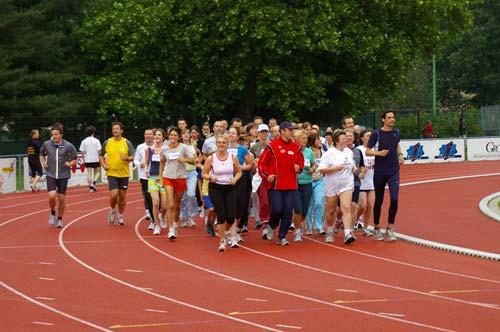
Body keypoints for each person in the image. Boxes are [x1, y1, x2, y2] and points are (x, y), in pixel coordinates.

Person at [258, 121, 304, 246]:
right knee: (277, 209)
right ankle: (272, 226)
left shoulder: (296, 147)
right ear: (282, 131)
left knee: (288, 211)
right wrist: (267, 176)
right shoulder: (272, 146)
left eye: (293, 130)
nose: (292, 132)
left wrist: (298, 167)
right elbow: (262, 164)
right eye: (290, 130)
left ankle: (282, 236)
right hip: (276, 185)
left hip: (291, 184)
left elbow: (301, 163)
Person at [366, 110, 405, 241]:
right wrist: (379, 154)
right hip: (380, 171)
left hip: (394, 170)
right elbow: (367, 151)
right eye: (389, 117)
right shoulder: (376, 133)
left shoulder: (396, 132)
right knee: (379, 201)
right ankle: (377, 228)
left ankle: (390, 228)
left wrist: (400, 155)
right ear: (383, 120)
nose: (392, 119)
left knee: (394, 199)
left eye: (393, 117)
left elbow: (397, 145)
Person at [202, 134, 242, 251]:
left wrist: (235, 179)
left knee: (230, 217)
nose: (221, 144)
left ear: (227, 144)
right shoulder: (211, 158)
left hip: (230, 188)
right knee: (221, 215)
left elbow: (239, 172)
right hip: (215, 188)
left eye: (223, 143)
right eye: (219, 142)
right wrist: (210, 177)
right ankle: (222, 241)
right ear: (216, 144)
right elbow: (204, 173)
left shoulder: (233, 157)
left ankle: (226, 232)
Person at [318, 130, 357, 244]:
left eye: (346, 137)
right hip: (332, 184)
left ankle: (348, 234)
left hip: (347, 184)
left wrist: (356, 170)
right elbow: (321, 169)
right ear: (336, 140)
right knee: (331, 211)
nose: (346, 139)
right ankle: (329, 231)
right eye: (343, 138)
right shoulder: (329, 153)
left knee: (346, 207)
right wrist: (335, 168)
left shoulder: (349, 152)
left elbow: (352, 166)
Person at [160, 127, 195, 239]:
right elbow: (162, 162)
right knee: (170, 204)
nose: (173, 137)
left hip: (180, 177)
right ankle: (170, 230)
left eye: (175, 135)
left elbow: (193, 160)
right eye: (171, 135)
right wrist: (161, 177)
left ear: (179, 137)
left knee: (177, 204)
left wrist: (184, 160)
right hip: (168, 177)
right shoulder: (164, 149)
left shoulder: (183, 148)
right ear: (168, 136)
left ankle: (175, 223)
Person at [40, 125, 77, 228]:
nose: (54, 137)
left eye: (56, 134)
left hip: (63, 175)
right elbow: (41, 154)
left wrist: (70, 164)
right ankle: (52, 213)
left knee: (61, 198)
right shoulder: (47, 144)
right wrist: (43, 162)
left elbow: (74, 158)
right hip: (50, 173)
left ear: (61, 135)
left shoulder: (68, 145)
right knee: (52, 196)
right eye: (52, 135)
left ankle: (60, 218)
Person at [100, 122, 135, 226]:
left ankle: (120, 215)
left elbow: (132, 156)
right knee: (114, 195)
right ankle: (112, 209)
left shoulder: (126, 142)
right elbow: (101, 155)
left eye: (117, 129)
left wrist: (127, 158)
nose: (115, 130)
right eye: (113, 129)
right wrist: (103, 165)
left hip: (124, 174)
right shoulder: (107, 142)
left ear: (121, 130)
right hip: (112, 173)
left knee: (122, 196)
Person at [227, 127, 254, 236]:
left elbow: (250, 165)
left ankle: (235, 229)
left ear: (238, 136)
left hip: (239, 179)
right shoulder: (222, 147)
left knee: (240, 206)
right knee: (229, 206)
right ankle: (230, 231)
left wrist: (240, 168)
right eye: (229, 133)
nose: (231, 135)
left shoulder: (242, 149)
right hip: (225, 180)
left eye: (233, 133)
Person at [292, 130, 315, 242]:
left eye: (306, 138)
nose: (305, 140)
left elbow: (313, 164)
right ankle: (297, 231)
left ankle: (297, 223)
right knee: (298, 208)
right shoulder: (292, 151)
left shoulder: (309, 152)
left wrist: (312, 169)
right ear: (296, 140)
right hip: (295, 182)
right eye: (303, 138)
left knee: (304, 210)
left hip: (307, 182)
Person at [145, 129, 168, 235]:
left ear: (163, 137)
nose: (157, 136)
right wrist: (146, 170)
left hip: (164, 179)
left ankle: (162, 216)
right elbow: (146, 162)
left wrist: (163, 175)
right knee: (155, 203)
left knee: (164, 206)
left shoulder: (167, 149)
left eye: (159, 135)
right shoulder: (149, 149)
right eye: (156, 135)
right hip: (153, 179)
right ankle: (157, 225)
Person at [249, 124, 271, 229]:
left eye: (266, 132)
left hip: (271, 176)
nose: (264, 134)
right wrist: (255, 163)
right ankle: (264, 221)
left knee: (271, 200)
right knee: (263, 199)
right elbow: (250, 161)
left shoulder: (272, 145)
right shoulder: (254, 147)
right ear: (258, 133)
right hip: (259, 177)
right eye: (262, 132)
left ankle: (270, 219)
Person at [134, 129, 155, 227]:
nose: (148, 136)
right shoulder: (140, 147)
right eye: (146, 134)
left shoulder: (158, 147)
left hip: (156, 176)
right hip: (144, 177)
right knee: (149, 199)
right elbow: (135, 160)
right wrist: (139, 164)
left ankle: (159, 216)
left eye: (150, 134)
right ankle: (153, 221)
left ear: (153, 135)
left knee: (157, 200)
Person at [356, 129, 375, 236]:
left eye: (371, 135)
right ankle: (356, 219)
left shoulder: (375, 149)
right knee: (362, 205)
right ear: (362, 138)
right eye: (367, 135)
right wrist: (361, 170)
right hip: (362, 182)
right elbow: (355, 164)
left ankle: (366, 227)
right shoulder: (359, 149)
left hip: (372, 182)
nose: (369, 137)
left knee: (370, 205)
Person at [305, 132, 325, 235]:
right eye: (317, 139)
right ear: (312, 141)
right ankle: (308, 227)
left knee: (319, 203)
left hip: (319, 180)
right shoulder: (308, 152)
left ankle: (319, 226)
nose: (320, 141)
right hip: (308, 180)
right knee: (309, 205)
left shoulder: (323, 152)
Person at [179, 128, 198, 228]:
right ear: (180, 136)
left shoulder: (193, 144)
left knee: (191, 194)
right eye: (183, 133)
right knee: (184, 197)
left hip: (192, 172)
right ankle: (183, 217)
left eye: (187, 133)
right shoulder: (179, 146)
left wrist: (197, 159)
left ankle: (191, 216)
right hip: (182, 173)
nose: (186, 135)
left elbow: (196, 157)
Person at [80, 126, 102, 192]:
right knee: (98, 172)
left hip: (88, 160)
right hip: (96, 159)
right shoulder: (96, 141)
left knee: (89, 173)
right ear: (93, 132)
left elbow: (82, 152)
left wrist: (84, 161)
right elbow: (99, 151)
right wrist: (100, 158)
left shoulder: (84, 141)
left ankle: (91, 187)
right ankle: (94, 182)